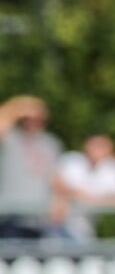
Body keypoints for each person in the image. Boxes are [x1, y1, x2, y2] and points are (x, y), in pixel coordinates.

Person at [51, 133, 115, 242]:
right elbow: (56, 182)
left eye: (102, 147)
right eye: (96, 146)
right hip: (56, 226)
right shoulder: (72, 160)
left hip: (85, 228)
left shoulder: (111, 168)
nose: (98, 150)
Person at [0, 96, 65, 240]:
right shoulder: (12, 138)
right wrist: (18, 106)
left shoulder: (50, 143)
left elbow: (55, 177)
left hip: (40, 216)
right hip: (10, 214)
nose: (33, 121)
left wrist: (59, 200)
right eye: (28, 118)